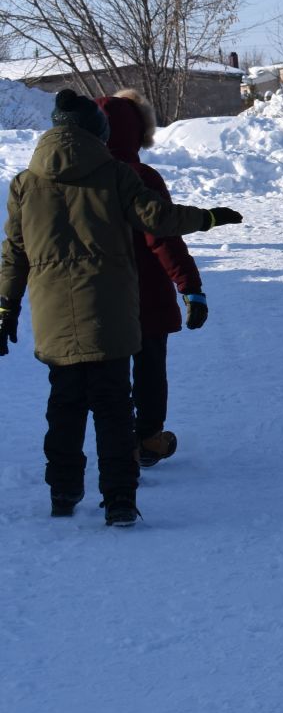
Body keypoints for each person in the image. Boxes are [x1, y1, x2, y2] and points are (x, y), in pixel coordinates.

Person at [0, 89, 242, 525]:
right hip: (110, 314)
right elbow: (160, 221)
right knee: (114, 409)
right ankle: (119, 502)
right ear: (97, 132)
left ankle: (63, 492)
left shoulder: (24, 184)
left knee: (64, 405)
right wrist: (207, 217)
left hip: (53, 318)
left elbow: (14, 255)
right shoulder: (115, 174)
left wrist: (5, 309)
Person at [95, 92, 209, 468]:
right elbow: (163, 237)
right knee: (149, 368)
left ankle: (114, 439)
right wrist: (190, 287)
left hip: (97, 295)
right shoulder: (141, 176)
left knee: (108, 373)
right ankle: (147, 437)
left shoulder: (81, 178)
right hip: (146, 295)